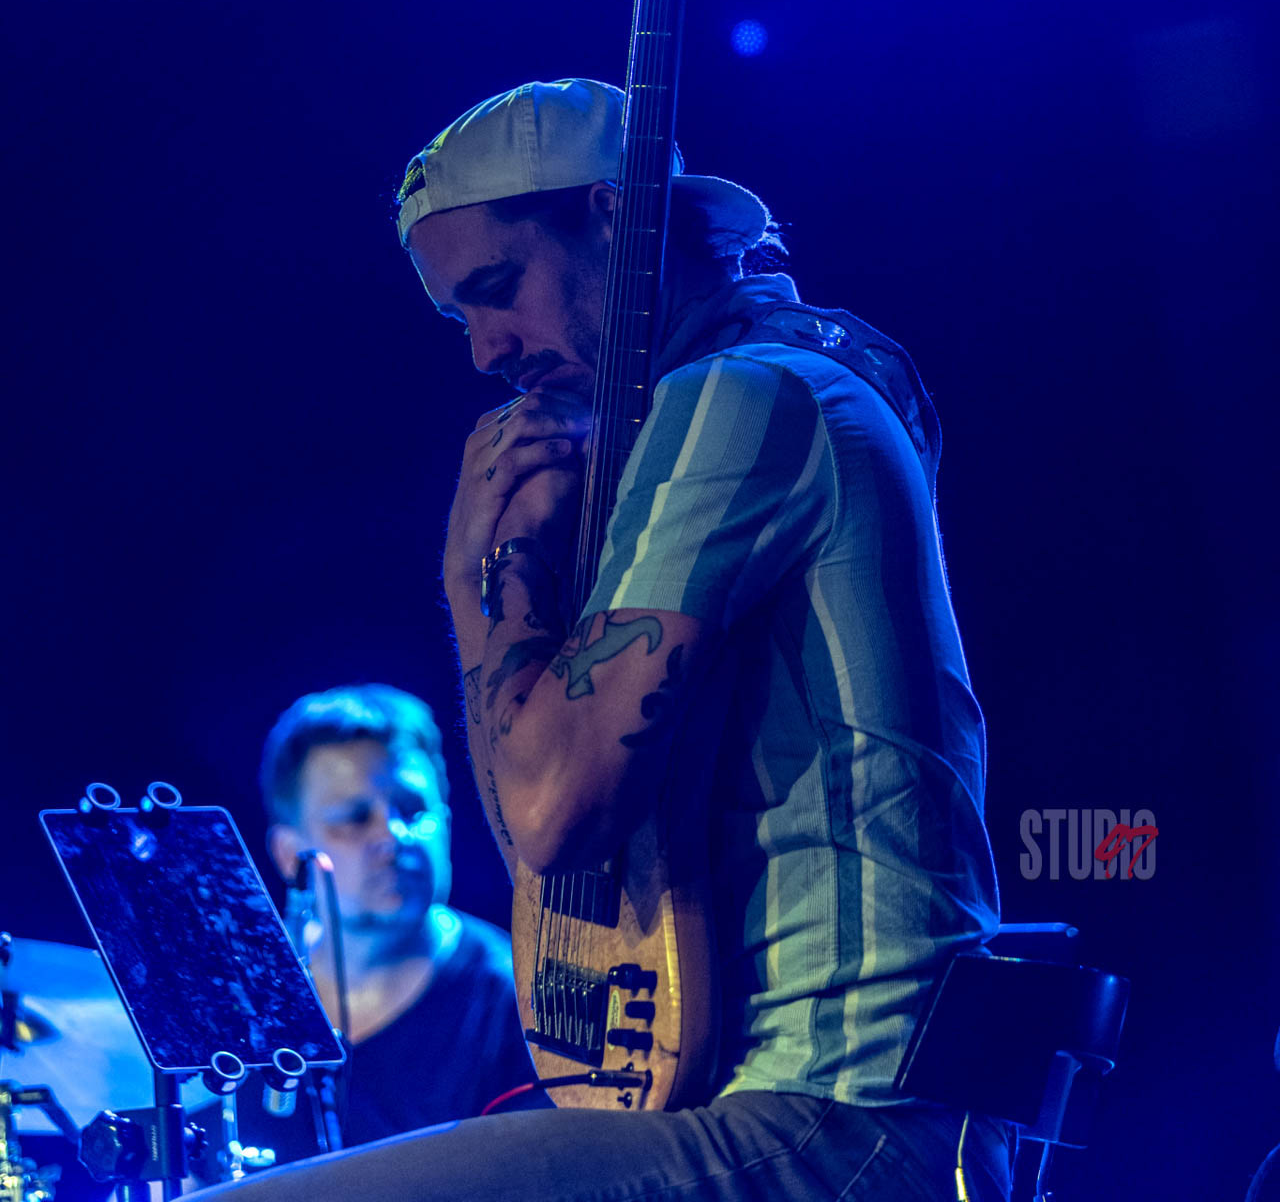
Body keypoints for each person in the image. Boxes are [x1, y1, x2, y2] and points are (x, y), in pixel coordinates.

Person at [211, 76, 1012, 1201]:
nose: (486, 351)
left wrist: (479, 575)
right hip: (795, 1110)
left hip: (833, 1125)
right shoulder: (782, 381)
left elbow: (548, 819)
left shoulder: (742, 399)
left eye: (499, 290)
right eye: (459, 318)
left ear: (618, 222)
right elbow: (549, 847)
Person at [206, 684, 543, 1170]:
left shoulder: (518, 1001)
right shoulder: (235, 1002)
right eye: (354, 817)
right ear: (288, 854)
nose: (392, 835)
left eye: (414, 809)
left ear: (447, 820)